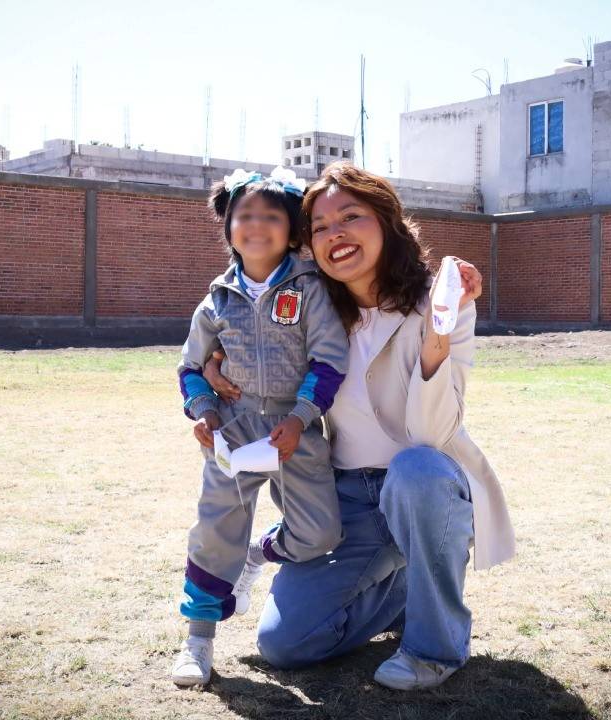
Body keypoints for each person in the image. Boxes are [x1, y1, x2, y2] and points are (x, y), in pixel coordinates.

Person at [203, 162, 516, 691]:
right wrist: (216, 361)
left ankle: (433, 649)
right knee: (285, 644)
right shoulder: (312, 311)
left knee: (416, 468)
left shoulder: (441, 301)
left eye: (351, 216)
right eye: (321, 227)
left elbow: (431, 432)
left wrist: (437, 339)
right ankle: (403, 591)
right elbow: (248, 334)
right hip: (344, 497)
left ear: (388, 222)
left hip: (423, 489)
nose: (335, 234)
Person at [170, 166, 349, 687]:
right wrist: (204, 411)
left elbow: (329, 360)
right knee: (214, 530)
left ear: (291, 229)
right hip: (235, 427)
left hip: (295, 430)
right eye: (243, 215)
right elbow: (188, 367)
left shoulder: (311, 288)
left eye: (270, 216)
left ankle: (260, 553)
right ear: (227, 227)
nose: (255, 224)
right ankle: (198, 640)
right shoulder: (216, 300)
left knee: (321, 534)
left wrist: (299, 419)